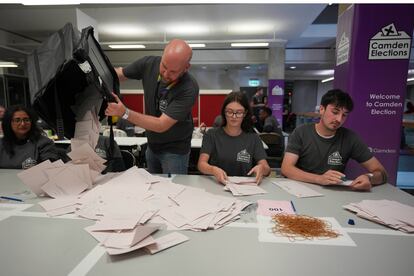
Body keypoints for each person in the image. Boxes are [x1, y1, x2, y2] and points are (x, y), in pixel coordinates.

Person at [105, 39, 199, 174]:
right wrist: (98, 75)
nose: (165, 74)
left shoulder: (188, 87)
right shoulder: (148, 64)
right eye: (164, 66)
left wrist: (124, 113)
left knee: (172, 191)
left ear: (186, 67)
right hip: (152, 146)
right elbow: (118, 74)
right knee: (154, 189)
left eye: (173, 71)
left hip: (175, 151)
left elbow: (161, 125)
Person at [281, 89, 387, 191]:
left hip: (332, 193)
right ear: (322, 109)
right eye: (335, 112)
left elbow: (381, 173)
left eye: (344, 115)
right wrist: (319, 179)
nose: (339, 119)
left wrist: (369, 177)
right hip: (299, 189)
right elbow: (286, 168)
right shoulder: (301, 133)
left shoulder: (350, 138)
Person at [197, 91, 270, 185]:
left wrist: (262, 168)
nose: (234, 116)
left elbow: (267, 169)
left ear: (245, 113)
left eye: (239, 112)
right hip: (216, 185)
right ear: (224, 112)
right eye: (230, 112)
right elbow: (201, 164)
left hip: (244, 188)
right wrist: (212, 170)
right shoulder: (211, 135)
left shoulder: (253, 138)